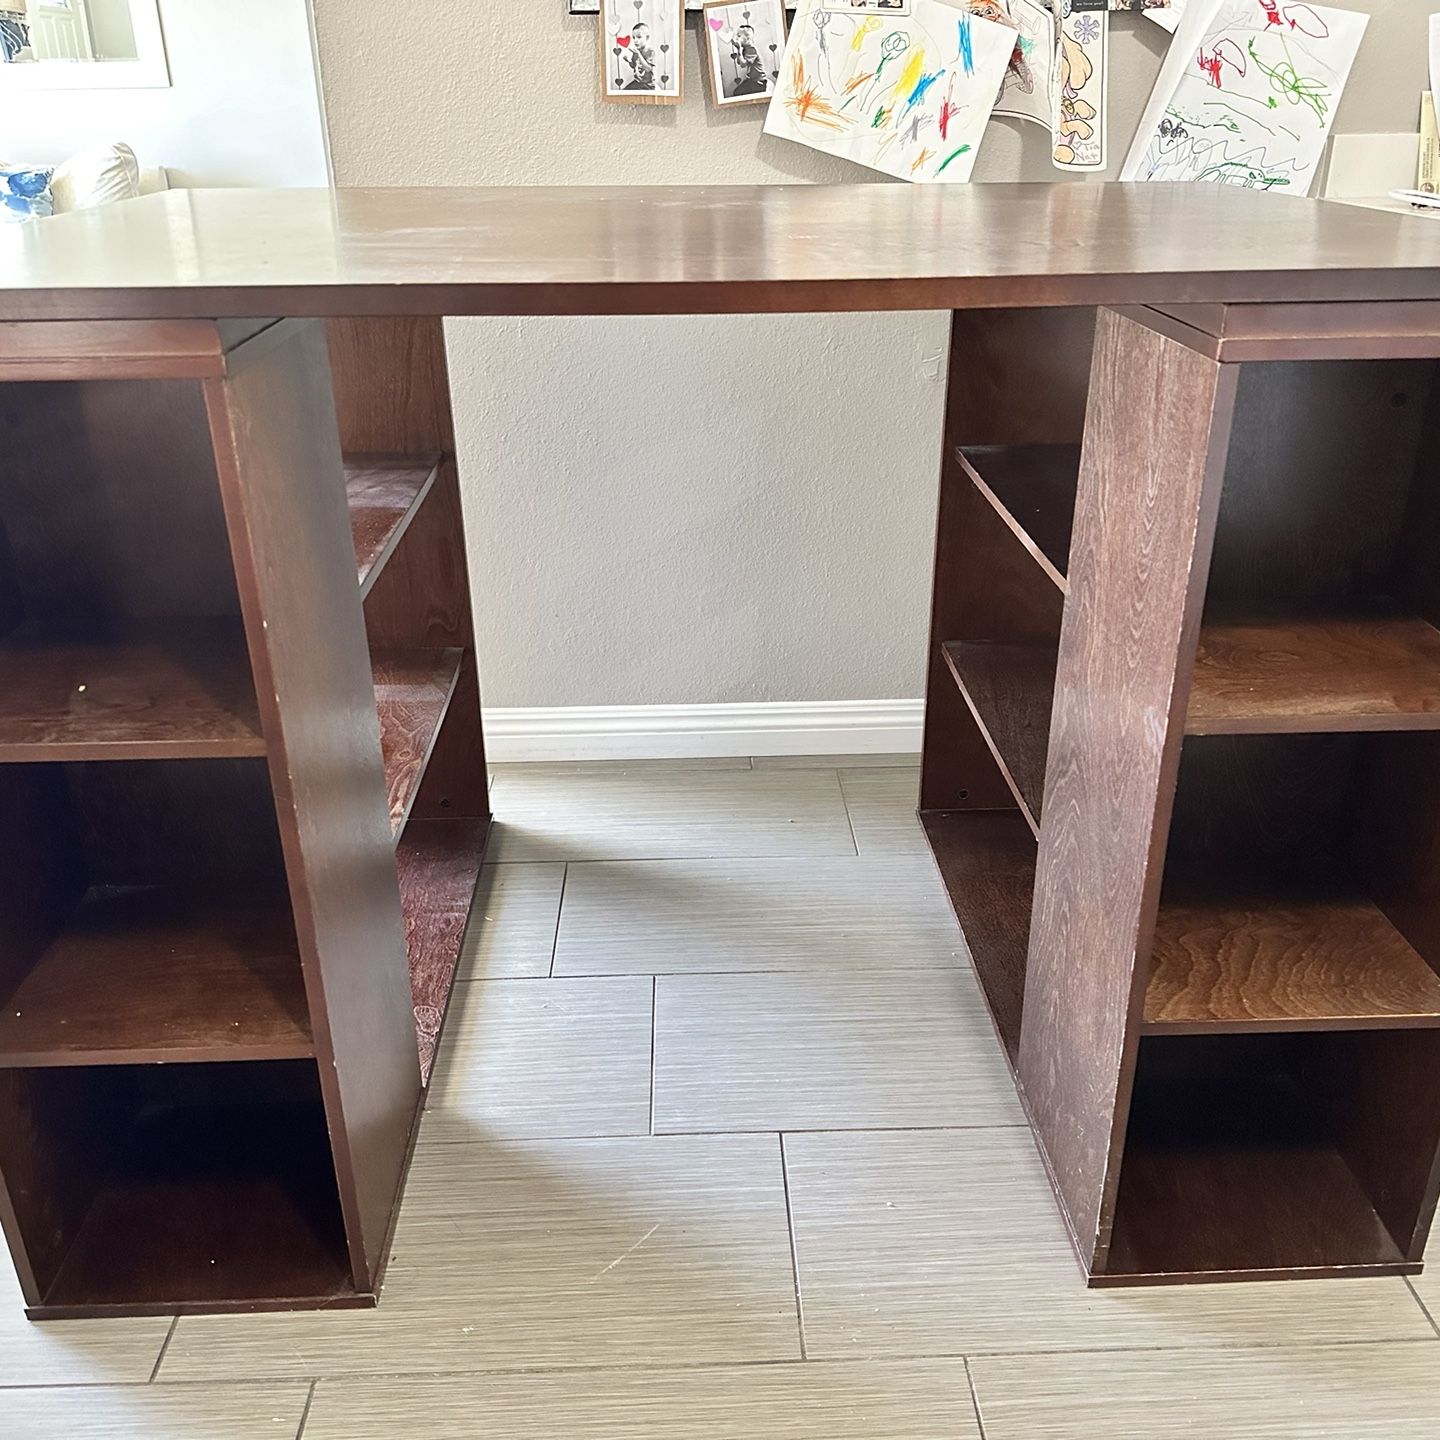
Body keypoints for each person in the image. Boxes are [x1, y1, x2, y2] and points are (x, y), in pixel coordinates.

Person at [729, 23, 767, 96]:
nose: (736, 38)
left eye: (739, 36)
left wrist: (740, 49)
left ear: (747, 38)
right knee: (737, 92)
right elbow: (739, 62)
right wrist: (738, 49)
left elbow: (743, 64)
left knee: (738, 93)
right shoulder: (745, 49)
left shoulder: (752, 49)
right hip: (752, 80)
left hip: (759, 81)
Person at [622, 21, 656, 90]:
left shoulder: (650, 51)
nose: (635, 41)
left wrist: (639, 54)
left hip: (648, 84)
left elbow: (648, 68)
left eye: (639, 37)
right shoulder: (636, 52)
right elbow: (634, 66)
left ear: (647, 38)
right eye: (634, 37)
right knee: (624, 91)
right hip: (637, 82)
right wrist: (629, 61)